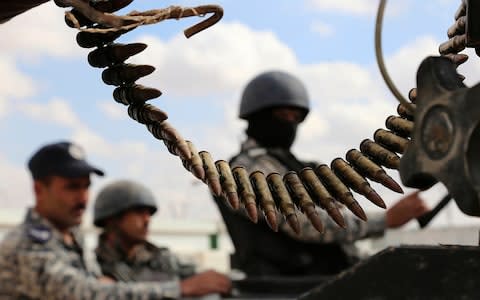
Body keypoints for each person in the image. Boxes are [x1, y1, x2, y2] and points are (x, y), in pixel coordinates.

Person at [213, 70, 430, 276]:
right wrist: (385, 220)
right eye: (282, 115)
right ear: (256, 117)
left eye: (295, 117)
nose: (289, 123)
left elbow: (338, 217)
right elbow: (305, 223)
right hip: (286, 287)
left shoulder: (294, 165)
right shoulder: (243, 170)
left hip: (323, 279)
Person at [0, 141, 193, 299]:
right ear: (39, 190)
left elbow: (97, 284)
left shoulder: (72, 237)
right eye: (72, 187)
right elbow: (87, 294)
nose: (83, 198)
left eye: (86, 187)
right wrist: (182, 289)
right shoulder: (25, 245)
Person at [93, 179, 232, 298]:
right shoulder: (93, 266)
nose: (147, 220)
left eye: (149, 213)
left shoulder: (163, 259)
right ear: (112, 219)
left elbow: (204, 281)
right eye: (139, 212)